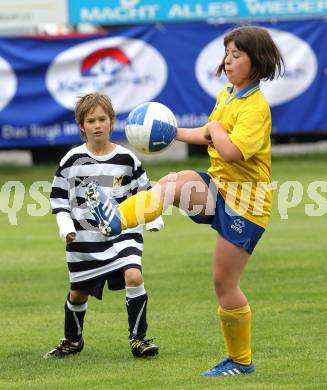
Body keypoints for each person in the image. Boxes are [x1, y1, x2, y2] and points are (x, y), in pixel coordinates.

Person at [85, 25, 284, 376]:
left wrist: (216, 130)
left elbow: (231, 150)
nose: (228, 59)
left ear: (258, 61)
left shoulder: (255, 107)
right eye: (227, 53)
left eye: (237, 54)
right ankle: (116, 219)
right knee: (174, 183)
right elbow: (207, 133)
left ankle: (241, 361)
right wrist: (170, 132)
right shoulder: (228, 95)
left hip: (246, 205)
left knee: (224, 283)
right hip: (220, 189)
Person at [45, 93, 163, 359]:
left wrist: (154, 217)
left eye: (102, 119)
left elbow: (146, 193)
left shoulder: (127, 159)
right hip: (84, 238)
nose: (97, 125)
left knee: (134, 276)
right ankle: (73, 341)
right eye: (91, 120)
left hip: (124, 233)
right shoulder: (72, 161)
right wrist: (66, 227)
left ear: (112, 122)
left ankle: (139, 340)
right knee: (78, 294)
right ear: (81, 126)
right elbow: (59, 198)